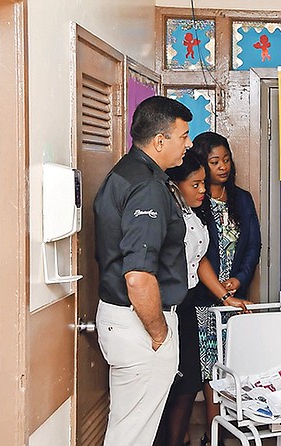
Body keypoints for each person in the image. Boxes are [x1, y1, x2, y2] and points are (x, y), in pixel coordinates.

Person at [93, 95, 192, 446]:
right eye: (183, 136)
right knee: (132, 434)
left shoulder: (125, 172)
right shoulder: (148, 186)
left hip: (122, 317)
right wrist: (159, 333)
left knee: (129, 428)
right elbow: (137, 275)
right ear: (160, 140)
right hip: (140, 323)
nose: (188, 144)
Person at [156, 151, 248, 446]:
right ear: (175, 185)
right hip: (169, 307)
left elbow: (199, 260)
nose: (203, 190)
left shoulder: (190, 214)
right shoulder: (165, 213)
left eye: (203, 184)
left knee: (189, 381)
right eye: (195, 185)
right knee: (179, 384)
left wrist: (224, 296)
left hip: (189, 304)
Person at [190, 132, 261, 445]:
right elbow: (197, 253)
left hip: (236, 297)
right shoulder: (195, 200)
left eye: (226, 159)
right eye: (214, 161)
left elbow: (253, 244)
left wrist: (239, 280)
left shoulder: (241, 198)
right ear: (202, 164)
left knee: (237, 363)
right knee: (210, 368)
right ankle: (213, 433)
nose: (223, 167)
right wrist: (219, 287)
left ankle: (238, 429)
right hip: (204, 299)